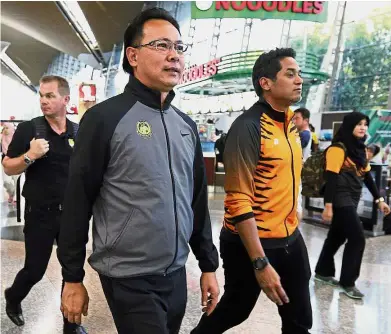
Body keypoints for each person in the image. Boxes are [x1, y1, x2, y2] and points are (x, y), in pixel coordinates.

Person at [57, 8, 219, 334]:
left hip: (176, 273)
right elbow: (77, 201)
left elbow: (196, 202)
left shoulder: (185, 125)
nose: (174, 55)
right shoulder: (104, 119)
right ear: (132, 55)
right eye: (161, 45)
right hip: (127, 276)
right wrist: (72, 277)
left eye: (179, 47)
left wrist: (208, 266)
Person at [192, 48, 312, 334]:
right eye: (290, 74)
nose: (299, 80)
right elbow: (238, 199)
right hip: (249, 242)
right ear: (266, 83)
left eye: (299, 74)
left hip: (290, 237)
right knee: (236, 309)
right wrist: (260, 262)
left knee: (299, 317)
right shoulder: (247, 127)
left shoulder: (291, 125)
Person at [2, 76, 85, 333]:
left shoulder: (77, 132)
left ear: (66, 100)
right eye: (41, 95)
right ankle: (13, 297)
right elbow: (7, 166)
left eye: (50, 96)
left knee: (72, 271)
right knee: (35, 270)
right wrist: (30, 155)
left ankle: (70, 327)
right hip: (40, 213)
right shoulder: (30, 129)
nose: (44, 101)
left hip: (71, 215)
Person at [314, 111, 390, 299]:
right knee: (357, 238)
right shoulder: (337, 149)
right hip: (340, 197)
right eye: (359, 124)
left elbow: (367, 178)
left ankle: (323, 271)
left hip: (352, 197)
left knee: (336, 236)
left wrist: (379, 200)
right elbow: (331, 179)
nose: (363, 127)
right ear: (349, 126)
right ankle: (348, 282)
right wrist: (328, 205)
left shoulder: (361, 149)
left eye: (365, 124)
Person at [1, 122, 17, 204]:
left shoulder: (16, 137)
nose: (5, 130)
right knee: (6, 182)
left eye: (7, 128)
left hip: (16, 160)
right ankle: (11, 194)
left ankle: (15, 198)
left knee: (16, 180)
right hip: (5, 161)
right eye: (4, 128)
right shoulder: (2, 137)